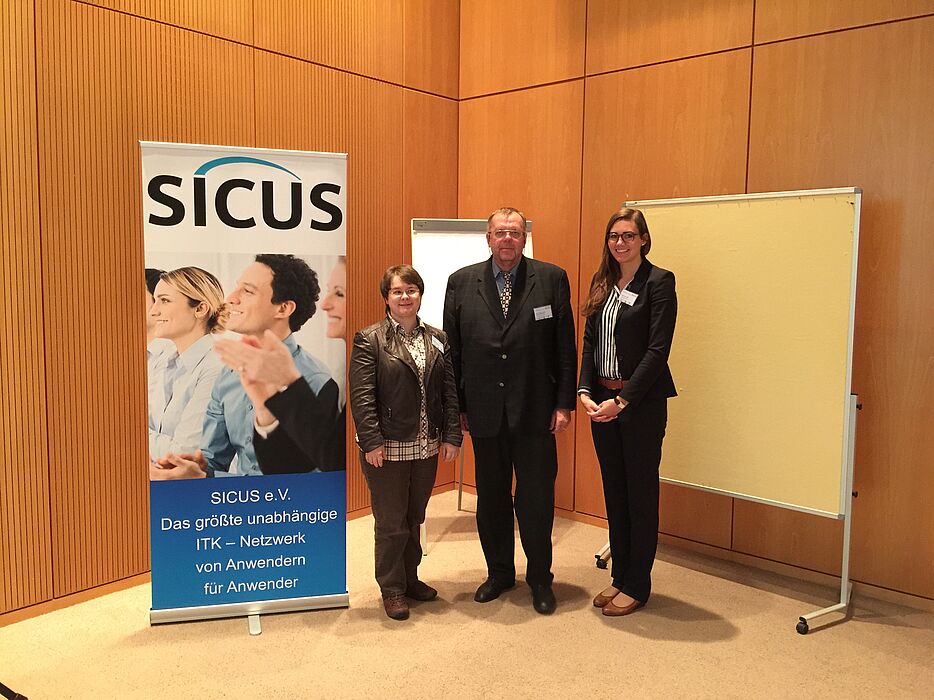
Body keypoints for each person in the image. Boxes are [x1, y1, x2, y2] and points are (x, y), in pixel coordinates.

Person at [442, 207, 576, 615]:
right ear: (487, 238)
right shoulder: (461, 282)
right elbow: (453, 355)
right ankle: (499, 573)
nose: (507, 239)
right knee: (493, 500)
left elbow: (564, 350)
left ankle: (540, 579)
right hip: (483, 413)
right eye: (499, 232)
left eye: (514, 233)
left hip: (536, 412)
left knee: (536, 500)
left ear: (524, 238)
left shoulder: (551, 278)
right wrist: (458, 408)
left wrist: (564, 403)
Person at [150, 254, 339, 479]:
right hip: (234, 508)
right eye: (237, 288)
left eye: (247, 291)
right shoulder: (228, 375)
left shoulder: (317, 380)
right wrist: (191, 468)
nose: (231, 298)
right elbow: (212, 459)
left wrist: (205, 478)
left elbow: (315, 478)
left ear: (283, 308)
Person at [577, 207, 677, 617]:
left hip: (638, 407)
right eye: (614, 236)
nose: (620, 243)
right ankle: (620, 576)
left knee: (640, 496)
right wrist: (585, 389)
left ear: (643, 240)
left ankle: (638, 584)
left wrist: (622, 402)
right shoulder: (602, 282)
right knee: (615, 494)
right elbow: (589, 341)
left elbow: (657, 351)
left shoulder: (659, 282)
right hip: (602, 401)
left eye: (628, 236)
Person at [349, 264, 462, 620]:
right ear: (387, 297)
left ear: (420, 295)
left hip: (427, 445)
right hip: (388, 446)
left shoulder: (438, 338)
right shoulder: (370, 339)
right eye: (397, 291)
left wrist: (452, 435)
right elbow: (362, 394)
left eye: (411, 290)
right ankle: (392, 588)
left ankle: (411, 579)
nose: (405, 297)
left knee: (415, 516)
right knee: (391, 521)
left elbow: (449, 390)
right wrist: (371, 441)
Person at [147, 267, 228, 462]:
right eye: (155, 300)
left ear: (200, 309)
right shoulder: (163, 360)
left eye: (164, 300)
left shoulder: (217, 367)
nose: (154, 311)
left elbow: (184, 454)